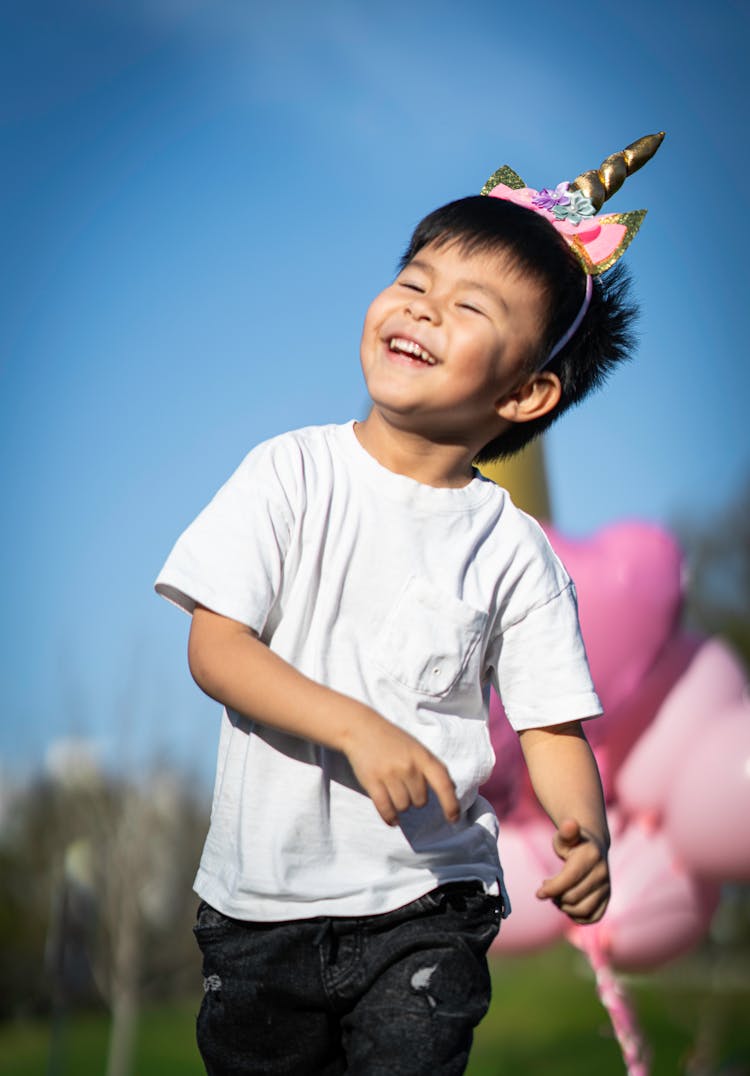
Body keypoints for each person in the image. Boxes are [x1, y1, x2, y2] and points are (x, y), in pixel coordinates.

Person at [155, 135, 663, 1075]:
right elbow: (216, 647)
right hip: (260, 908)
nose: (422, 309)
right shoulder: (290, 473)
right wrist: (355, 727)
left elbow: (553, 726)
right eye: (415, 281)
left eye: (469, 307)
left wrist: (583, 830)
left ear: (527, 390)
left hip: (429, 902)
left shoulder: (514, 548)